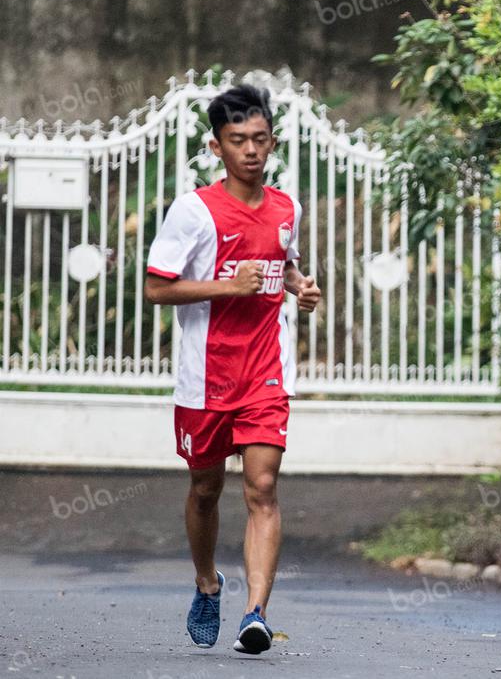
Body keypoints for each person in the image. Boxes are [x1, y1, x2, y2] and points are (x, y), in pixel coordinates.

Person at [144, 84, 321, 654]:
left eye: (260, 139)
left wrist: (302, 287)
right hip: (205, 376)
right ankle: (207, 583)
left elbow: (283, 265)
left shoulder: (286, 208)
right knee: (204, 490)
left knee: (263, 488)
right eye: (237, 140)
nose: (251, 150)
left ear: (272, 142)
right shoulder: (193, 210)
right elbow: (155, 287)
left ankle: (256, 614)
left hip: (267, 370)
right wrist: (227, 285)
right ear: (216, 147)